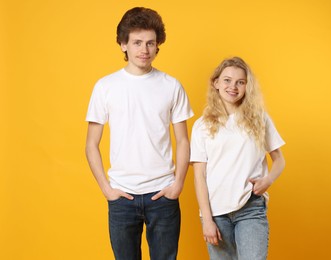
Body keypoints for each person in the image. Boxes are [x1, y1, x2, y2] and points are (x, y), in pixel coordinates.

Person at [85, 7, 193, 260]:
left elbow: (184, 140)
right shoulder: (105, 87)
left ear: (157, 46)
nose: (144, 49)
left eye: (150, 43)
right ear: (123, 44)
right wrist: (107, 189)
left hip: (162, 195)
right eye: (136, 43)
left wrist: (177, 184)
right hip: (122, 196)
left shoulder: (171, 85)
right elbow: (91, 144)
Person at [190, 57, 285, 260]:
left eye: (240, 82)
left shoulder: (259, 118)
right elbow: (199, 176)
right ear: (216, 83)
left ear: (246, 86)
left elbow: (279, 160)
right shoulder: (201, 125)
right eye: (227, 80)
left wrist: (267, 180)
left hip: (250, 207)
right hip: (215, 212)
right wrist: (207, 220)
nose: (233, 86)